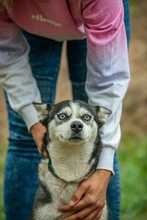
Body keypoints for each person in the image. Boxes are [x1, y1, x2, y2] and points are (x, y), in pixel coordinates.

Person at [0, 0, 130, 219]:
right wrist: (33, 120)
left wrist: (103, 168)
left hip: (95, 16)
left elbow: (108, 81)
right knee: (24, 136)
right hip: (25, 23)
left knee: (97, 137)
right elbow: (6, 53)